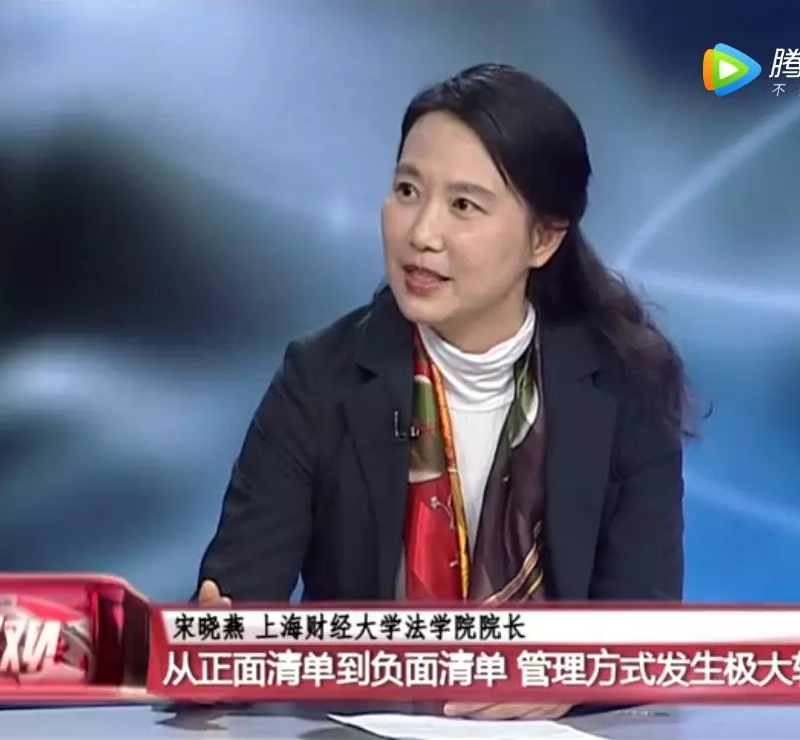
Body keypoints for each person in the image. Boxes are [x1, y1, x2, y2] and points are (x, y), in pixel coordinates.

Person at [196, 62, 693, 720]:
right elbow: (232, 616)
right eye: (407, 191)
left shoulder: (624, 385)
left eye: (463, 206)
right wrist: (210, 650)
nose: (421, 234)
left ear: (543, 239)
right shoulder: (319, 378)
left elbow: (648, 632)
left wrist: (570, 674)